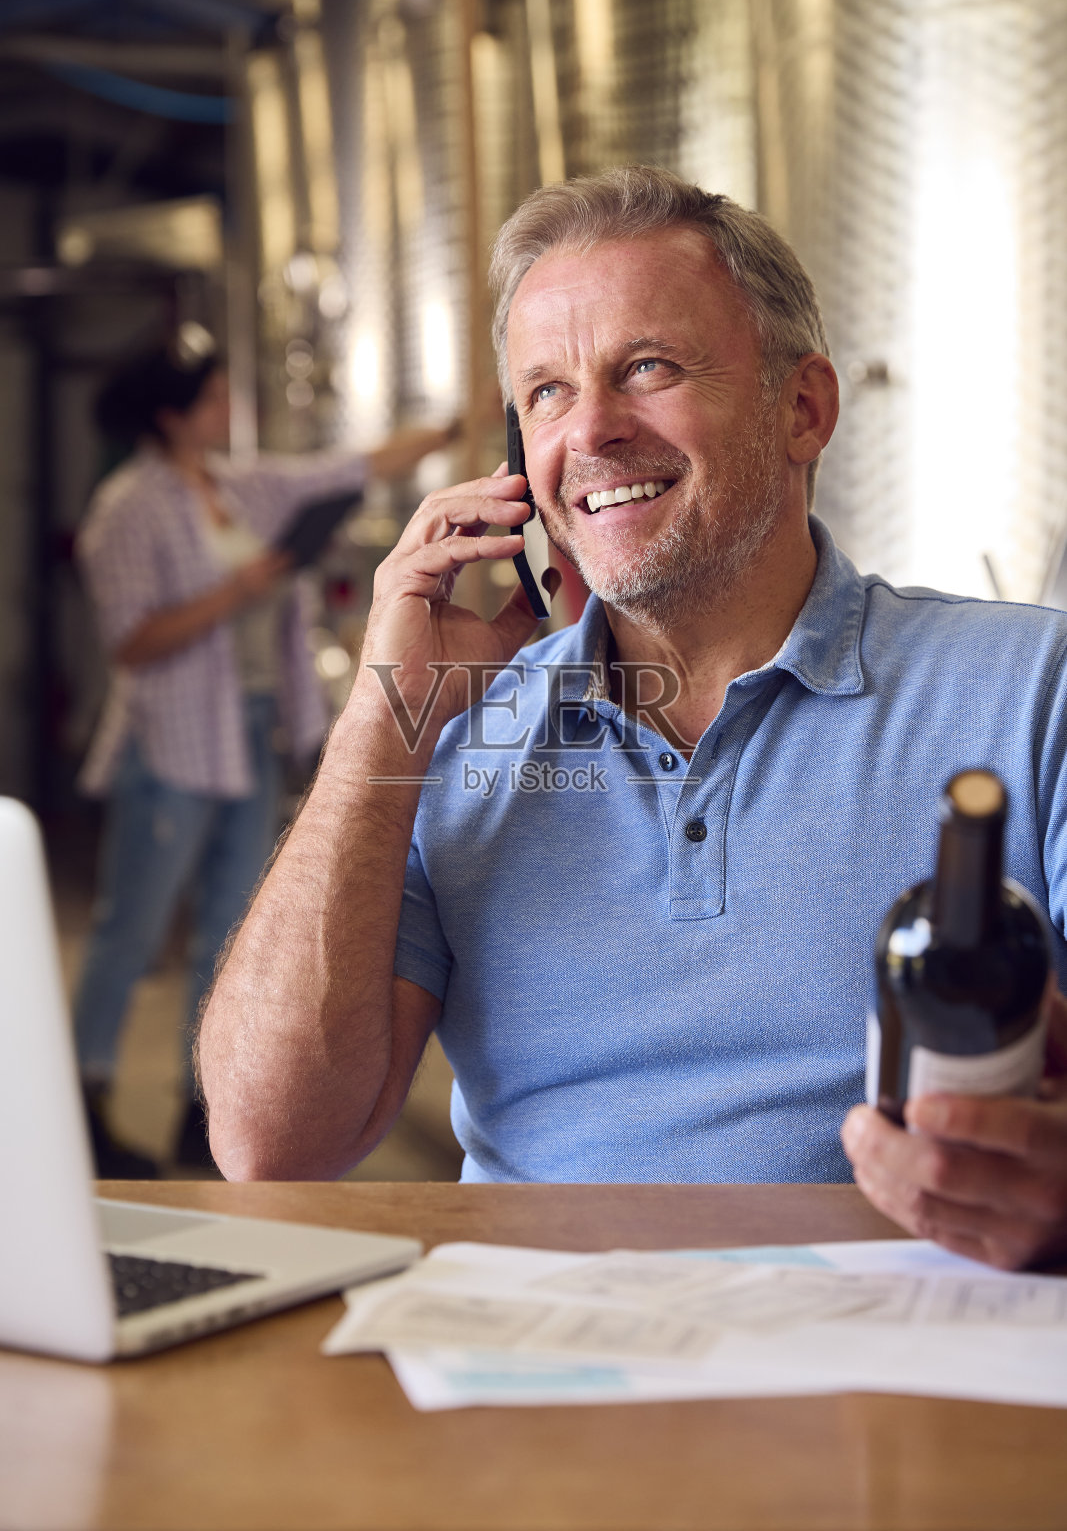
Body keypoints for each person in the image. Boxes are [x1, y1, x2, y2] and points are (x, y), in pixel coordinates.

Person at [198, 168, 1067, 1269]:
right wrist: (388, 719)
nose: (592, 433)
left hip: (879, 1383)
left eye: (645, 368)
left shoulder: (1031, 689)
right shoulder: (456, 735)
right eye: (547, 394)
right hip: (538, 1379)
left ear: (801, 409)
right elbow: (270, 1143)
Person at [75, 329, 464, 1176]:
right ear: (172, 415)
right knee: (131, 934)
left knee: (229, 930)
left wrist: (457, 429)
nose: (228, 408)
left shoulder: (242, 485)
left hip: (248, 733)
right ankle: (84, 1104)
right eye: (213, 396)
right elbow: (130, 643)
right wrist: (236, 592)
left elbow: (352, 467)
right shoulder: (126, 511)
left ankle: (197, 1113)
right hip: (169, 746)